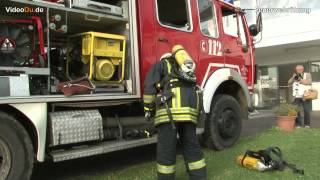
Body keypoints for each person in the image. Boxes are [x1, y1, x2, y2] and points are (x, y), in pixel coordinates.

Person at [143, 45, 207, 180]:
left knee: (166, 149)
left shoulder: (161, 64)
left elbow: (149, 87)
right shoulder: (186, 71)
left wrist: (148, 109)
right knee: (191, 145)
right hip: (189, 114)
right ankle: (199, 176)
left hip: (169, 115)